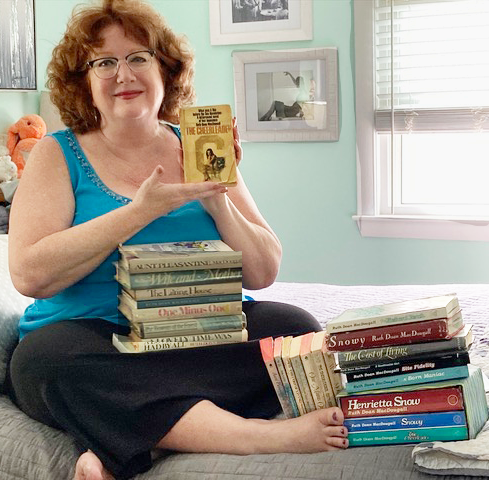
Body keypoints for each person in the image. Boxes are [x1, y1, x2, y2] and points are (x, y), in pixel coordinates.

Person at [7, 1, 348, 479]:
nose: (122, 73)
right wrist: (141, 211)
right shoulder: (55, 153)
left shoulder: (197, 145)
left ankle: (127, 438)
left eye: (138, 57)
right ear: (84, 80)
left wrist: (216, 197)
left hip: (204, 331)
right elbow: (30, 275)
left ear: (164, 70)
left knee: (296, 329)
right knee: (44, 363)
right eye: (103, 62)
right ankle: (253, 436)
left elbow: (264, 271)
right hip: (97, 339)